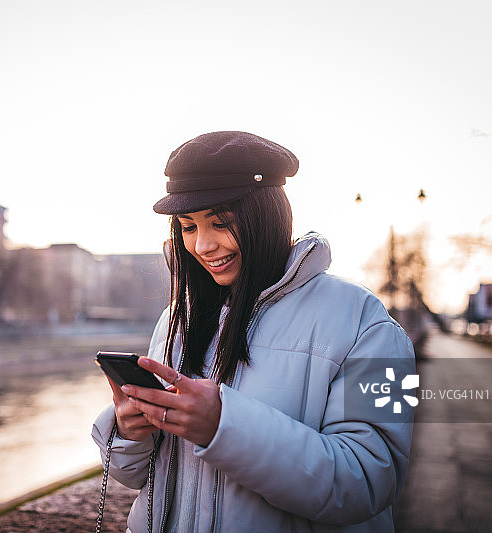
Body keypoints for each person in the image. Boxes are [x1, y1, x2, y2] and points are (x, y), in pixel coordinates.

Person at [92, 131, 415, 533]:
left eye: (221, 222)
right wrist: (128, 431)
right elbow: (135, 476)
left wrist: (225, 426)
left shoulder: (368, 321)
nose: (202, 245)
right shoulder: (177, 317)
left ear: (268, 216)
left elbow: (371, 482)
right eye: (188, 226)